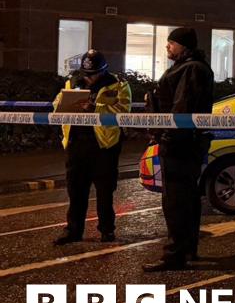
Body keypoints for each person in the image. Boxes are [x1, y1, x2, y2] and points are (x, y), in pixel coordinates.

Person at [143, 27, 214, 272]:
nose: (167, 47)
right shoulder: (192, 67)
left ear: (184, 46)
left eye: (171, 43)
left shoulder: (191, 69)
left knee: (175, 201)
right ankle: (187, 249)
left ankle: (175, 254)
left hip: (179, 144)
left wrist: (166, 137)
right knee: (187, 199)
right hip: (185, 142)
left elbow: (181, 109)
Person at [52, 50, 131, 245]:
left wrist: (96, 108)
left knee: (104, 191)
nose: (89, 78)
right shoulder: (72, 83)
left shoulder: (118, 85)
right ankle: (73, 230)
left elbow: (123, 110)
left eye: (93, 74)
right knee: (76, 191)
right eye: (86, 74)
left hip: (104, 146)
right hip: (76, 144)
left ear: (103, 70)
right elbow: (56, 105)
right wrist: (65, 105)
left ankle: (107, 230)